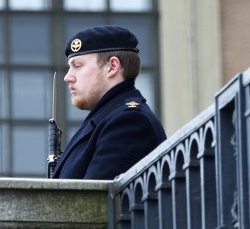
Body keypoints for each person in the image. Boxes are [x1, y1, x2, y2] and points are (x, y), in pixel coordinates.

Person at [52, 25, 167, 180]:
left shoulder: (129, 122)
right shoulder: (106, 118)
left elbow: (94, 201)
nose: (68, 77)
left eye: (78, 66)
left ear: (112, 67)